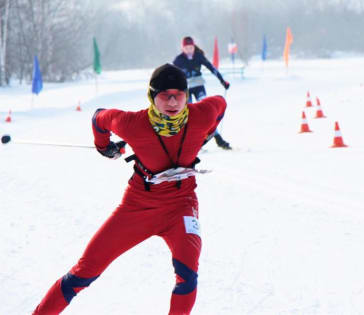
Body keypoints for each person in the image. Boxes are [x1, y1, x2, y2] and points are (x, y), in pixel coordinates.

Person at [32, 63, 227, 315]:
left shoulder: (201, 115)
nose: (172, 101)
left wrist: (208, 133)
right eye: (164, 95)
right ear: (151, 96)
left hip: (182, 205)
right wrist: (104, 146)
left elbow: (221, 103)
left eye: (178, 95)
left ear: (186, 95)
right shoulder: (133, 124)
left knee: (187, 275)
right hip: (137, 207)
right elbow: (99, 117)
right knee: (84, 272)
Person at [173, 36, 232, 150]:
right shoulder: (178, 60)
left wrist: (222, 81)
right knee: (189, 116)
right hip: (185, 90)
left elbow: (212, 68)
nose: (189, 50)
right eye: (187, 48)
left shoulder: (198, 56)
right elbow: (170, 75)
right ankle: (192, 141)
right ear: (183, 48)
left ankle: (218, 139)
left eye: (191, 47)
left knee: (207, 113)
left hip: (199, 86)